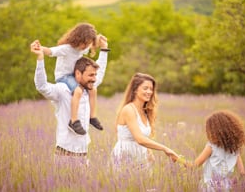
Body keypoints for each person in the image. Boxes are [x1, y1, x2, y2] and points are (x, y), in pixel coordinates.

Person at [30, 35, 109, 166]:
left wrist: (104, 49)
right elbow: (42, 86)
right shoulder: (62, 90)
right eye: (91, 75)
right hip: (65, 158)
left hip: (84, 157)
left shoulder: (89, 88)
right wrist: (40, 58)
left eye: (94, 75)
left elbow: (100, 72)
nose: (94, 79)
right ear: (78, 74)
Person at [37, 23, 107, 135]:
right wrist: (39, 48)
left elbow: (93, 44)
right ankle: (73, 121)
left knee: (93, 89)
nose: (85, 47)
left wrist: (99, 40)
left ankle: (92, 117)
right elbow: (50, 51)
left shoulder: (82, 48)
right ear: (78, 38)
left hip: (75, 76)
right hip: (64, 77)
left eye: (88, 44)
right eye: (84, 43)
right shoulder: (67, 49)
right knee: (78, 91)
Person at [111, 73, 180, 172]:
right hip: (125, 156)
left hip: (141, 156)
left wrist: (149, 151)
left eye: (151, 89)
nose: (149, 92)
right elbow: (140, 139)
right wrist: (165, 149)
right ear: (135, 90)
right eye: (145, 88)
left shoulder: (145, 111)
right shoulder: (129, 110)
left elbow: (144, 137)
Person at [180, 110, 245, 191]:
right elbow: (242, 173)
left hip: (209, 187)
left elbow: (194, 166)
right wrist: (231, 183)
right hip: (225, 187)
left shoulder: (211, 147)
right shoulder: (235, 149)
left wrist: (177, 158)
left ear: (215, 131)